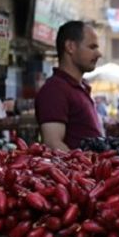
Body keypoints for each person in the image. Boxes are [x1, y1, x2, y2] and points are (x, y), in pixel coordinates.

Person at [35, 21, 103, 150]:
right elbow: (53, 144)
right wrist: (86, 168)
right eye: (92, 47)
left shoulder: (80, 87)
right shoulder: (54, 90)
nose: (99, 54)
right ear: (70, 47)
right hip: (79, 170)